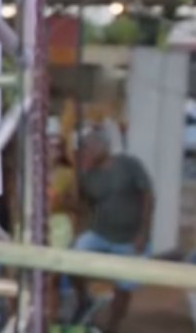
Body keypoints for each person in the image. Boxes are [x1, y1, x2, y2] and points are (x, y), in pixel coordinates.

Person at [68, 129, 153, 330]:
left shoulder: (129, 164)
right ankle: (84, 300)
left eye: (88, 147)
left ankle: (113, 324)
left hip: (131, 238)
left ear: (102, 148)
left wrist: (143, 232)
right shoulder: (88, 176)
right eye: (84, 148)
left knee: (124, 287)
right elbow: (86, 206)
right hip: (101, 233)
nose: (85, 151)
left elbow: (148, 196)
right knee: (72, 258)